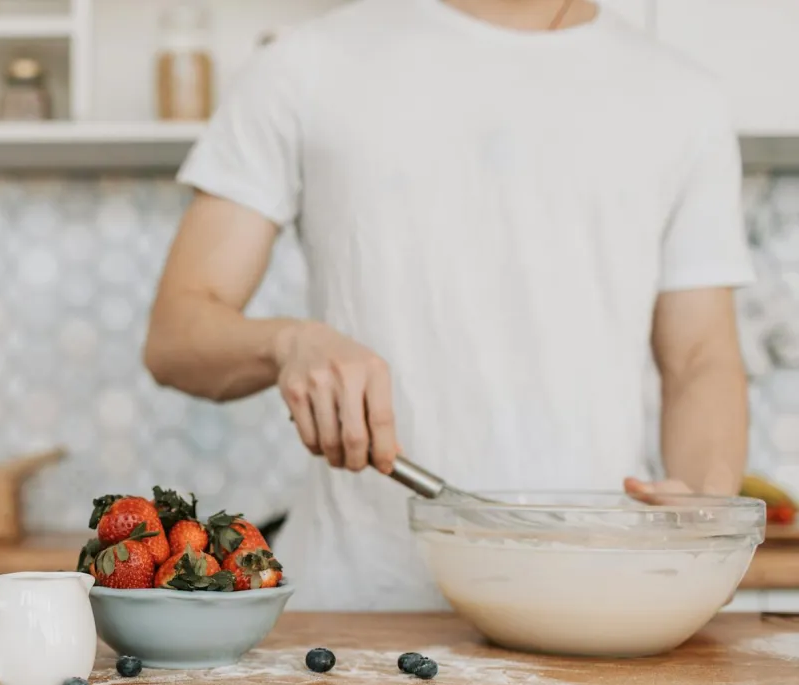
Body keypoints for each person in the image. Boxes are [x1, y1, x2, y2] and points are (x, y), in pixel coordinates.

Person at [143, 0, 754, 611]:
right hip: (359, 610)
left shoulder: (682, 98)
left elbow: (700, 359)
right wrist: (288, 344)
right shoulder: (303, 66)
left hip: (591, 602)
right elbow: (176, 336)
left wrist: (706, 511)